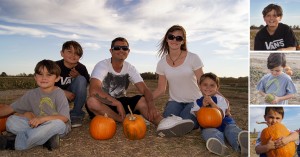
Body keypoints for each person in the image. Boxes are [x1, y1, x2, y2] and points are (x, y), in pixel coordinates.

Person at [86, 37, 194, 137]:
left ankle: (162, 123)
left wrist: (151, 105)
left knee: (142, 99)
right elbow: (94, 90)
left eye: (124, 48)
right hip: (105, 104)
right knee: (91, 101)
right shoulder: (102, 65)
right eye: (117, 48)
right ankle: (122, 119)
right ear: (111, 51)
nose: (121, 50)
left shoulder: (130, 68)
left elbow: (144, 89)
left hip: (122, 102)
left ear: (128, 51)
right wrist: (116, 103)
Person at [0, 59, 70, 150]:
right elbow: (10, 108)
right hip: (37, 126)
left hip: (55, 126)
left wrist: (42, 119)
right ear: (35, 77)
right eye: (40, 74)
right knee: (11, 121)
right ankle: (46, 140)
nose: (44, 78)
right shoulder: (31, 94)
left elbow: (64, 118)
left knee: (58, 124)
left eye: (49, 75)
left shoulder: (59, 93)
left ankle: (12, 143)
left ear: (57, 78)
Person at [152, 25, 204, 130]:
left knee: (186, 121)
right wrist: (145, 100)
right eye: (171, 37)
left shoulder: (193, 58)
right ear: (167, 39)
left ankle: (195, 119)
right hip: (175, 101)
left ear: (183, 41)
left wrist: (220, 99)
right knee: (167, 122)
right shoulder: (161, 63)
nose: (174, 40)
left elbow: (203, 83)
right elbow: (161, 89)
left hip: (194, 101)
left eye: (179, 38)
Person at [190, 72, 248, 156]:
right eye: (205, 84)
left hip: (225, 123)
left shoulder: (220, 99)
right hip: (208, 126)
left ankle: (241, 145)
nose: (208, 87)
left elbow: (221, 113)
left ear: (217, 87)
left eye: (212, 85)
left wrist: (212, 103)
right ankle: (221, 147)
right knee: (210, 133)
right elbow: (197, 115)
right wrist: (203, 105)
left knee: (232, 130)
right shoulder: (196, 101)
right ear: (199, 86)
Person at [55, 40, 91, 127]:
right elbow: (45, 85)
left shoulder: (81, 68)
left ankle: (76, 114)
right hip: (56, 96)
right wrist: (62, 92)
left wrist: (78, 76)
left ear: (80, 56)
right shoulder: (55, 66)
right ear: (62, 53)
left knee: (82, 79)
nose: (73, 55)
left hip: (73, 95)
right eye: (69, 52)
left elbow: (86, 85)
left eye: (77, 53)